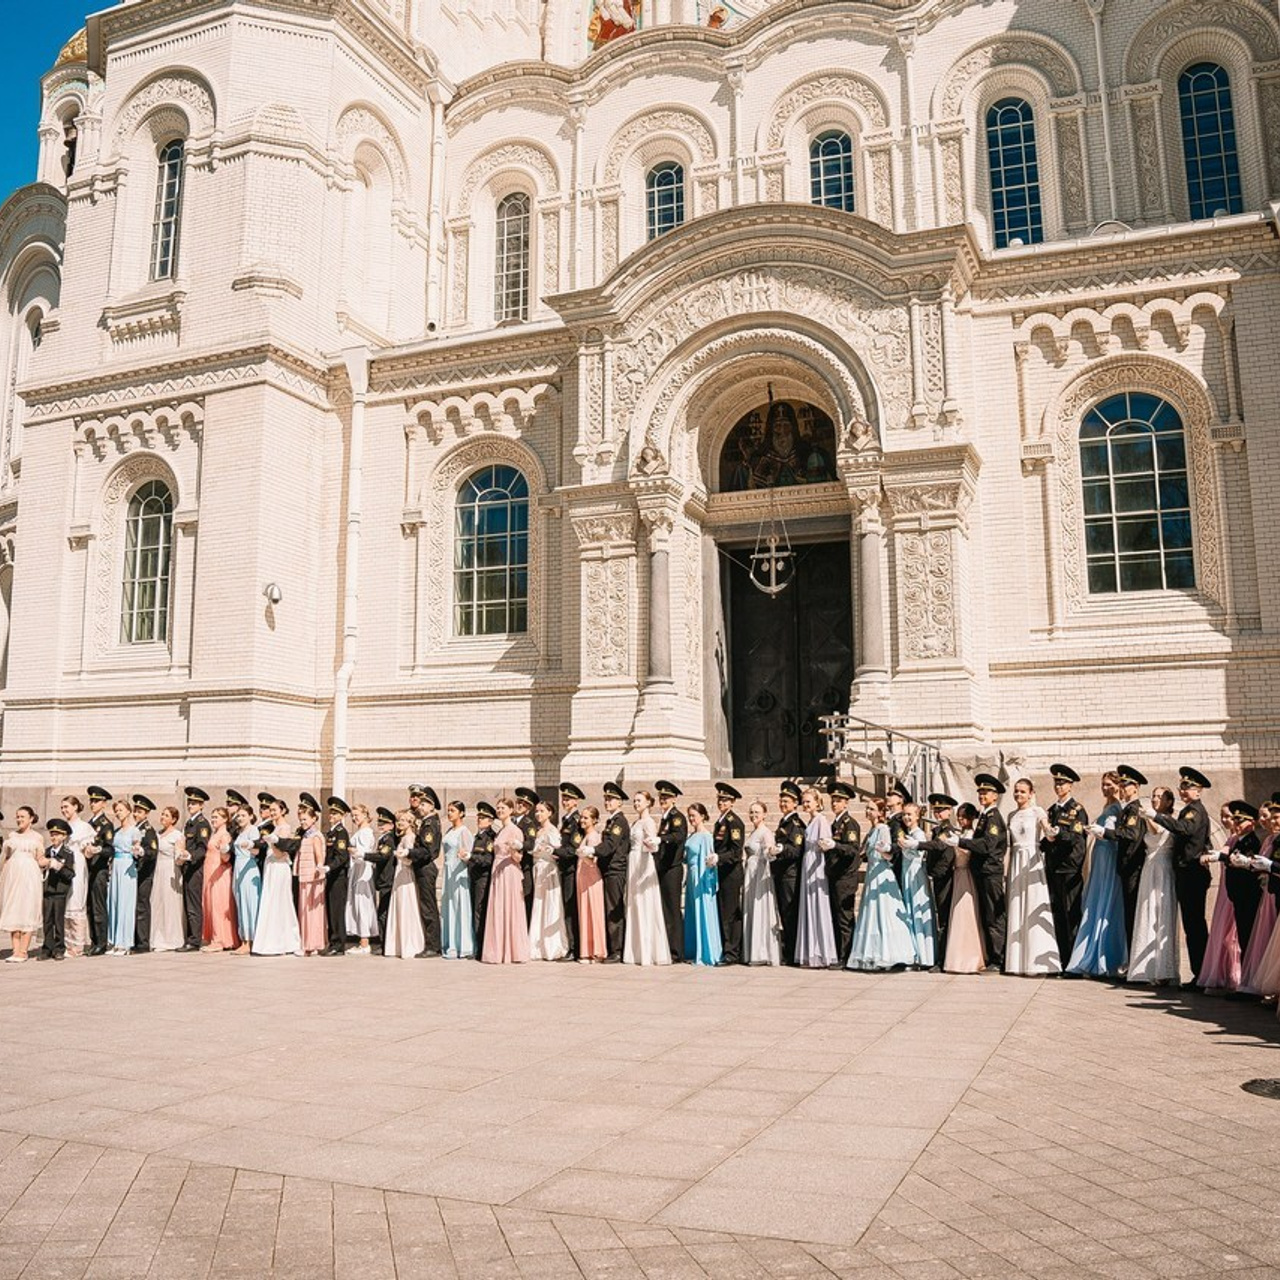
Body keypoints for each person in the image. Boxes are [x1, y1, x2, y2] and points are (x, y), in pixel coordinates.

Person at [1148, 766, 1212, 983]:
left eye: (1188, 786)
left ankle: (1201, 973)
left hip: (1192, 873)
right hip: (1188, 872)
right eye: (1182, 786)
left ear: (1198, 790)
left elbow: (1183, 829)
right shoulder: (1191, 810)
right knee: (1192, 926)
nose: (1184, 790)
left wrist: (1156, 816)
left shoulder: (1194, 810)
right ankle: (1199, 973)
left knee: (1195, 926)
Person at [1066, 771, 1128, 978]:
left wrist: (1101, 832)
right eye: (1103, 785)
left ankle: (1106, 956)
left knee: (1108, 902)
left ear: (1119, 786)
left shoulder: (1119, 808)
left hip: (1110, 856)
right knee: (1095, 901)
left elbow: (1119, 835)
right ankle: (1089, 953)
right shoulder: (1106, 806)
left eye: (1110, 785)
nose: (1105, 788)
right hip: (1099, 856)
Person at [847, 797, 916, 971]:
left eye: (871, 809)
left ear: (880, 812)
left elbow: (890, 854)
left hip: (881, 872)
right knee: (871, 912)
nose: (868, 812)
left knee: (884, 912)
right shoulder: (871, 830)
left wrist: (884, 850)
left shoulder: (883, 828)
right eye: (867, 808)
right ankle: (870, 953)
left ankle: (889, 953)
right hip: (871, 872)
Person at [1002, 780, 1058, 976]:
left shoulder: (1037, 811)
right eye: (1016, 791)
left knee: (1033, 903)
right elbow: (1010, 845)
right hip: (1016, 860)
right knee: (1017, 905)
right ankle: (1016, 962)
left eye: (1023, 792)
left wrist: (1051, 832)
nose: (1019, 795)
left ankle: (1037, 962)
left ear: (1031, 793)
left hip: (1032, 858)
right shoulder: (1010, 814)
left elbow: (1048, 831)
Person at [1128, 785, 1180, 986]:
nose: (1155, 799)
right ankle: (1144, 969)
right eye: (1153, 796)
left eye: (1160, 797)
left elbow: (1158, 829)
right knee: (1146, 911)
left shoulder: (1169, 821)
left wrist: (1148, 815)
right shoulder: (1151, 816)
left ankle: (1163, 969)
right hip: (1149, 867)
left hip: (1163, 868)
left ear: (1168, 801)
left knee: (1161, 912)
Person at [1042, 764, 1088, 965]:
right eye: (1056, 783)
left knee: (1072, 915)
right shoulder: (1052, 810)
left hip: (1069, 868)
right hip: (1053, 867)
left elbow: (1076, 837)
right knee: (1058, 915)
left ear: (1070, 786)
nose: (1059, 787)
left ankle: (1074, 961)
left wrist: (1057, 834)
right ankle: (1062, 960)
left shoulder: (1076, 810)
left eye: (1063, 783)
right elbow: (1048, 840)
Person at [965, 775, 1008, 973]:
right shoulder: (984, 816)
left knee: (994, 916)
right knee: (985, 914)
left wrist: (961, 842)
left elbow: (987, 845)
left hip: (991, 871)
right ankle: (991, 955)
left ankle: (998, 959)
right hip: (982, 870)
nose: (982, 795)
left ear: (995, 796)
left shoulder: (993, 818)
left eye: (986, 792)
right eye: (980, 792)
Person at [1198, 804, 1244, 991]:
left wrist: (1218, 856)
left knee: (1232, 936)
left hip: (1233, 892)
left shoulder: (1237, 840)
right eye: (1222, 816)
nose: (1225, 820)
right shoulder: (1231, 838)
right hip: (1224, 891)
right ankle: (1223, 973)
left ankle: (1235, 975)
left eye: (1228, 816)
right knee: (1222, 933)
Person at [623, 789, 670, 966]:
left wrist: (651, 844)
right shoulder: (636, 822)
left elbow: (654, 846)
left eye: (639, 801)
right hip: (633, 860)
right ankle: (635, 950)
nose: (636, 804)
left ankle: (647, 950)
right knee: (634, 903)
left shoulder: (649, 822)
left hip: (643, 860)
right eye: (635, 801)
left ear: (649, 803)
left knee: (644, 902)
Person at [795, 788, 839, 967]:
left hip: (816, 863)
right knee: (808, 903)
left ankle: (822, 950)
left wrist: (822, 846)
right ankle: (810, 949)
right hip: (808, 862)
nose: (806, 805)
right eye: (804, 802)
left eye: (808, 801)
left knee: (818, 903)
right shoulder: (810, 821)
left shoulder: (821, 820)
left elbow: (825, 842)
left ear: (817, 802)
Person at [252, 799, 303, 957]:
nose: (272, 813)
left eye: (275, 810)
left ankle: (283, 941)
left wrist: (273, 843)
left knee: (280, 902)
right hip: (271, 867)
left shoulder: (285, 828)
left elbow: (280, 853)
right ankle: (270, 940)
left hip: (280, 868)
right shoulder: (273, 828)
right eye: (271, 810)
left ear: (283, 811)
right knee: (270, 901)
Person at [481, 798, 529, 964]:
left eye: (503, 808)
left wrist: (514, 848)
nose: (499, 810)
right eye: (498, 808)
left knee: (510, 908)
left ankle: (512, 949)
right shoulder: (500, 830)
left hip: (509, 871)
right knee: (498, 908)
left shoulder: (514, 830)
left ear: (511, 810)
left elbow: (518, 857)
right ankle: (498, 948)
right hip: (498, 870)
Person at [1239, 804, 1279, 995]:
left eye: (1275, 817)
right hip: (1269, 891)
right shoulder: (1271, 839)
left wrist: (1270, 866)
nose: (1271, 821)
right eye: (1270, 817)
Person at [944, 804, 988, 974]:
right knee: (957, 914)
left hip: (967, 874)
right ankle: (956, 957)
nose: (960, 820)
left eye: (964, 817)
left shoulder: (971, 835)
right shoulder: (959, 834)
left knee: (966, 914)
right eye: (959, 816)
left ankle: (970, 958)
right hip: (957, 874)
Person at [896, 803, 937, 970]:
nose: (907, 817)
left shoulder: (918, 834)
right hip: (907, 873)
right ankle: (914, 954)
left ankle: (925, 955)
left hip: (916, 874)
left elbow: (919, 853)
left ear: (917, 816)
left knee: (918, 909)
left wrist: (905, 846)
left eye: (910, 814)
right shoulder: (908, 833)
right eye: (905, 814)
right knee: (910, 911)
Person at [826, 782, 862, 964]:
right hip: (835, 875)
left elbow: (853, 850)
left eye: (838, 800)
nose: (835, 803)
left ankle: (846, 955)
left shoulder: (850, 824)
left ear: (846, 803)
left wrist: (835, 845)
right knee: (836, 914)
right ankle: (840, 952)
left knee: (844, 917)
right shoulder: (835, 823)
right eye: (833, 800)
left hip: (845, 877)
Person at [1113, 765, 1149, 946]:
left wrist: (1106, 832)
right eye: (1121, 785)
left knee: (1132, 913)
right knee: (1128, 912)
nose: (1123, 788)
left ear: (1135, 787)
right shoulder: (1127, 808)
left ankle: (1133, 958)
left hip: (1132, 865)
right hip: (1127, 866)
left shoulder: (1134, 809)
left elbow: (1131, 834)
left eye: (1126, 785)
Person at [921, 794, 958, 968]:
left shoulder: (948, 831)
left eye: (941, 810)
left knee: (944, 916)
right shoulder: (937, 830)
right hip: (938, 876)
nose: (938, 813)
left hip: (945, 877)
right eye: (936, 810)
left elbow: (940, 848)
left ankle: (943, 959)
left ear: (949, 812)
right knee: (940, 915)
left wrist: (917, 844)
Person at [528, 799, 567, 961]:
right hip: (537, 868)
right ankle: (537, 945)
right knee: (539, 905)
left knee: (549, 904)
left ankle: (551, 945)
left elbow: (557, 848)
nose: (538, 814)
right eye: (537, 811)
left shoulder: (552, 830)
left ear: (550, 813)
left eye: (542, 811)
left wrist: (547, 850)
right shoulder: (538, 830)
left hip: (548, 869)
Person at [438, 801, 478, 959]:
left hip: (459, 871)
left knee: (459, 905)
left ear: (461, 813)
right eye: (448, 810)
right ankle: (450, 943)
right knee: (449, 906)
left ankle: (464, 945)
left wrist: (465, 857)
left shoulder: (464, 831)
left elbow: (469, 853)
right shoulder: (449, 830)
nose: (449, 813)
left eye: (453, 810)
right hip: (448, 870)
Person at [0, 807, 41, 962]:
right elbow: (6, 858)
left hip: (30, 877)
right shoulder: (12, 836)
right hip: (13, 876)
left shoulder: (37, 837)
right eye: (17, 817)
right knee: (14, 909)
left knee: (27, 909)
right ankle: (15, 950)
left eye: (22, 816)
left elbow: (40, 858)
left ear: (31, 818)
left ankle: (24, 951)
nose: (19, 819)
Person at [384, 810, 426, 960]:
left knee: (407, 905)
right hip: (399, 873)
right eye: (398, 820)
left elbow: (411, 859)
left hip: (406, 873)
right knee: (399, 905)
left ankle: (409, 943)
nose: (400, 823)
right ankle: (397, 944)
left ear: (410, 823)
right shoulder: (402, 838)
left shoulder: (411, 838)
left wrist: (403, 856)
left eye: (403, 820)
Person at [683, 803, 721, 966]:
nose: (692, 819)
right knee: (692, 911)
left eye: (694, 816)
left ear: (703, 816)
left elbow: (708, 860)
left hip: (700, 876)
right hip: (691, 876)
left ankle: (706, 952)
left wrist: (707, 880)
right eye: (690, 816)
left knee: (702, 910)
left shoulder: (706, 836)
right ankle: (693, 948)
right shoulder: (691, 835)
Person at [742, 801, 781, 965]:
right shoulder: (753, 832)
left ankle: (762, 951)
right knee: (750, 910)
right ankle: (751, 950)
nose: (754, 815)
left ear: (765, 814)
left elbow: (769, 850)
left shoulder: (766, 832)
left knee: (760, 910)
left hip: (760, 873)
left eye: (757, 812)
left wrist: (770, 851)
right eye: (751, 812)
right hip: (750, 873)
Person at [772, 781, 806, 963]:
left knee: (790, 913)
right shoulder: (784, 821)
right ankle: (789, 948)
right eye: (781, 800)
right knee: (784, 913)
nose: (783, 804)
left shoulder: (796, 824)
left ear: (795, 803)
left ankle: (793, 952)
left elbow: (796, 850)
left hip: (790, 875)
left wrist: (781, 848)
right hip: (781, 873)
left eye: (787, 801)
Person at [712, 784, 745, 965]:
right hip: (721, 871)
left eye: (725, 800)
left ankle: (732, 952)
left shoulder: (734, 822)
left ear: (732, 802)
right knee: (723, 911)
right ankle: (726, 948)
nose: (721, 802)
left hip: (731, 873)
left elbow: (736, 852)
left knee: (731, 913)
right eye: (719, 799)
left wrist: (719, 857)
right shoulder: (721, 821)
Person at [408, 785, 442, 957]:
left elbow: (427, 851)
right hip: (422, 866)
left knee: (428, 907)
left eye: (423, 804)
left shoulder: (430, 823)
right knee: (426, 905)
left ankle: (433, 945)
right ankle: (431, 943)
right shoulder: (427, 823)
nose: (420, 807)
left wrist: (409, 853)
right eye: (419, 803)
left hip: (426, 867)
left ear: (431, 806)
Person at [599, 783, 631, 962]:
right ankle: (613, 947)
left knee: (614, 909)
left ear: (619, 802)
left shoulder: (619, 821)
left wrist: (593, 850)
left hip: (615, 869)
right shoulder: (611, 820)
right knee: (610, 908)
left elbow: (610, 846)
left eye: (611, 799)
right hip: (608, 869)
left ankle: (617, 950)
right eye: (606, 798)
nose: (607, 802)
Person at [654, 781, 686, 962]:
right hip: (663, 867)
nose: (663, 800)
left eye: (666, 797)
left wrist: (661, 839)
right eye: (661, 797)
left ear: (674, 799)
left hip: (673, 868)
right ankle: (668, 947)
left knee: (673, 910)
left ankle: (676, 951)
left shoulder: (676, 817)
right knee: (665, 909)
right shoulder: (665, 818)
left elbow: (678, 836)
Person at [198, 807, 237, 951]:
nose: (213, 820)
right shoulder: (215, 834)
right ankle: (212, 936)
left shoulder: (225, 835)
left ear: (225, 819)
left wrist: (224, 850)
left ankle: (219, 939)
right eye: (212, 817)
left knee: (218, 906)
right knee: (209, 904)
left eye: (217, 817)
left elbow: (226, 858)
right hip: (210, 871)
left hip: (220, 873)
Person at [61, 796, 95, 959]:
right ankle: (67, 943)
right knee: (65, 902)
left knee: (76, 901)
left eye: (66, 806)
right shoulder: (63, 826)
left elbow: (87, 850)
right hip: (64, 865)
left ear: (75, 807)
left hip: (77, 865)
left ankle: (78, 944)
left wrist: (91, 849)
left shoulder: (84, 827)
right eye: (62, 807)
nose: (64, 810)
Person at [149, 806, 187, 952]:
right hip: (158, 869)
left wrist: (180, 858)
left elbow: (179, 854)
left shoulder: (177, 835)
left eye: (166, 815)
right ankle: (158, 938)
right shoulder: (158, 834)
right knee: (157, 902)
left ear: (174, 819)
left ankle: (172, 939)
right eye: (162, 814)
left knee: (170, 903)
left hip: (170, 869)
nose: (163, 817)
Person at [105, 798, 140, 957]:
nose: (118, 813)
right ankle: (113, 940)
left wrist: (137, 850)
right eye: (116, 810)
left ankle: (124, 942)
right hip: (117, 865)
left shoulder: (134, 830)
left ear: (128, 810)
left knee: (126, 902)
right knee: (114, 902)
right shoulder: (117, 832)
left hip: (127, 865)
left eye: (121, 810)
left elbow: (137, 847)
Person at [38, 819, 75, 961]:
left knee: (58, 921)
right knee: (47, 920)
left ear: (64, 836)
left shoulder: (67, 853)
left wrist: (58, 866)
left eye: (57, 834)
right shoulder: (47, 851)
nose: (54, 837)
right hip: (47, 890)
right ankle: (47, 948)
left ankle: (59, 948)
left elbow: (71, 874)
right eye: (52, 834)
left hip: (60, 891)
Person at [294, 794, 327, 956]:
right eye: (301, 820)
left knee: (311, 911)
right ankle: (307, 942)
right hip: (305, 876)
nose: (303, 822)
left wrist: (320, 868)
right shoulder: (306, 835)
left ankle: (311, 944)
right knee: (305, 910)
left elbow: (319, 857)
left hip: (312, 878)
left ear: (314, 819)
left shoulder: (315, 836)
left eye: (305, 819)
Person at [180, 786, 212, 952]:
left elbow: (202, 848)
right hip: (187, 867)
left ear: (201, 806)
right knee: (187, 903)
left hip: (195, 867)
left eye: (194, 803)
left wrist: (189, 856)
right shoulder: (189, 823)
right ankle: (190, 937)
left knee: (193, 905)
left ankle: (194, 940)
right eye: (189, 802)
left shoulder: (202, 824)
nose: (190, 805)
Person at [575, 804, 607, 963]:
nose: (582, 820)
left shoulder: (594, 836)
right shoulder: (585, 836)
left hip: (591, 877)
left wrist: (583, 855)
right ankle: (586, 950)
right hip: (582, 877)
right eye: (582, 817)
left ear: (594, 820)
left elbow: (593, 860)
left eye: (586, 818)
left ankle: (598, 951)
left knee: (593, 913)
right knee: (585, 913)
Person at [346, 804, 379, 955]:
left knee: (362, 904)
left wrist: (353, 852)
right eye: (352, 815)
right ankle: (362, 939)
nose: (354, 818)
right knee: (358, 904)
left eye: (357, 815)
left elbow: (364, 854)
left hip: (363, 872)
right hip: (358, 870)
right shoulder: (361, 831)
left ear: (365, 815)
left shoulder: (365, 832)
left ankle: (365, 942)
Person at [85, 786, 114, 956]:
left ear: (103, 804)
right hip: (88, 869)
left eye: (96, 801)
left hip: (99, 870)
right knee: (89, 906)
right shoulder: (88, 824)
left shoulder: (105, 825)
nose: (93, 804)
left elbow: (109, 849)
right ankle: (93, 939)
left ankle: (101, 942)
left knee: (98, 906)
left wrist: (98, 850)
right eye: (91, 801)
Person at [557, 783, 585, 960]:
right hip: (564, 867)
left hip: (572, 868)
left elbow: (573, 847)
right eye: (563, 798)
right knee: (567, 907)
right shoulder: (566, 820)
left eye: (568, 799)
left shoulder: (576, 821)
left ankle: (575, 948)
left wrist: (554, 850)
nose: (565, 801)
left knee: (571, 908)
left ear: (576, 801)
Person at [321, 797, 352, 956]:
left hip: (338, 876)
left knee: (337, 910)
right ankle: (333, 941)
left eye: (335, 813)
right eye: (331, 812)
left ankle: (338, 944)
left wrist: (329, 867)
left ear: (341, 816)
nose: (331, 815)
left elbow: (342, 856)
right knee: (331, 909)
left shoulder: (341, 833)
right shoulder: (332, 832)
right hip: (331, 875)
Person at [231, 805, 262, 955]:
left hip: (248, 867)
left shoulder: (253, 830)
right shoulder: (239, 832)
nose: (240, 818)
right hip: (238, 866)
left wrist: (250, 846)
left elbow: (257, 850)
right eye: (238, 815)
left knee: (250, 903)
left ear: (250, 816)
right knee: (240, 902)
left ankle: (250, 940)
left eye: (243, 815)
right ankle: (243, 938)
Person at [131, 795, 160, 953]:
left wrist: (143, 852)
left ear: (146, 813)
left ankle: (143, 942)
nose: (136, 814)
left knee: (142, 906)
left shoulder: (148, 831)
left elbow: (153, 851)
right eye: (135, 811)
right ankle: (135, 938)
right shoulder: (135, 829)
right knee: (135, 906)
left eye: (140, 811)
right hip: (135, 872)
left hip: (145, 873)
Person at [468, 801, 496, 956]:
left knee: (480, 910)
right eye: (479, 817)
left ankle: (481, 947)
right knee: (475, 909)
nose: (480, 819)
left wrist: (471, 857)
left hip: (483, 877)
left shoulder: (490, 838)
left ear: (490, 821)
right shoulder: (478, 836)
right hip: (474, 875)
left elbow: (488, 860)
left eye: (484, 817)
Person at [370, 807, 398, 953]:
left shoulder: (389, 839)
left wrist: (364, 855)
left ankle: (385, 943)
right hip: (383, 879)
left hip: (387, 879)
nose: (380, 825)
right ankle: (383, 942)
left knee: (384, 913)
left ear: (392, 825)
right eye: (379, 822)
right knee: (382, 912)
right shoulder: (384, 838)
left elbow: (382, 856)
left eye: (384, 823)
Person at [514, 787, 540, 925]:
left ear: (528, 809)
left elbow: (531, 843)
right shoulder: (511, 821)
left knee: (525, 900)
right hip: (512, 867)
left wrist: (520, 845)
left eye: (524, 804)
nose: (519, 805)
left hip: (524, 866)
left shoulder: (528, 824)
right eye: (519, 802)